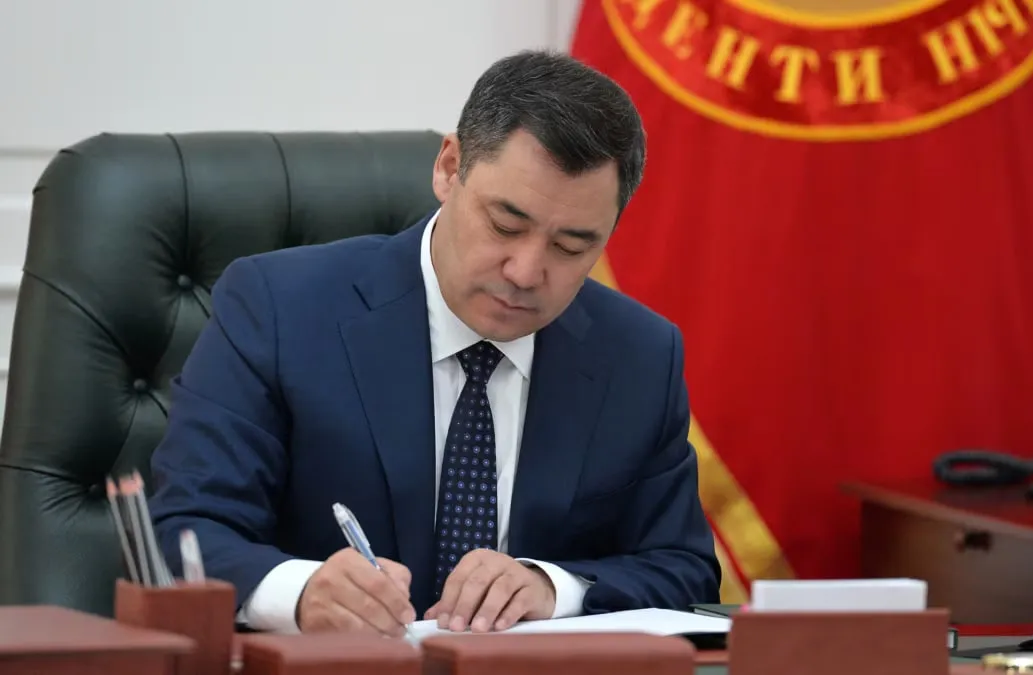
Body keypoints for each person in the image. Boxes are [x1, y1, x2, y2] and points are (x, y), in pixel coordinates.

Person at [148, 49, 720, 636]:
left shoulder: (638, 355)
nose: (526, 271)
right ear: (449, 168)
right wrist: (299, 593)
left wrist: (555, 587)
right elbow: (186, 528)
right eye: (505, 225)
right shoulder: (278, 307)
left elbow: (683, 569)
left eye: (571, 247)